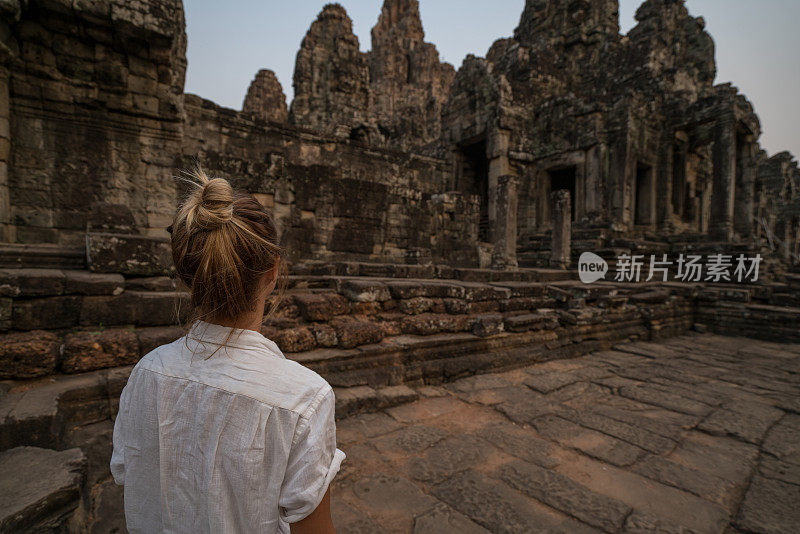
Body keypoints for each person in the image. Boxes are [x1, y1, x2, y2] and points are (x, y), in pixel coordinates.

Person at [111, 167, 344, 533]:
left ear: (185, 275)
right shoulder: (304, 399)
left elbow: (130, 474)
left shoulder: (146, 373)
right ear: (272, 273)